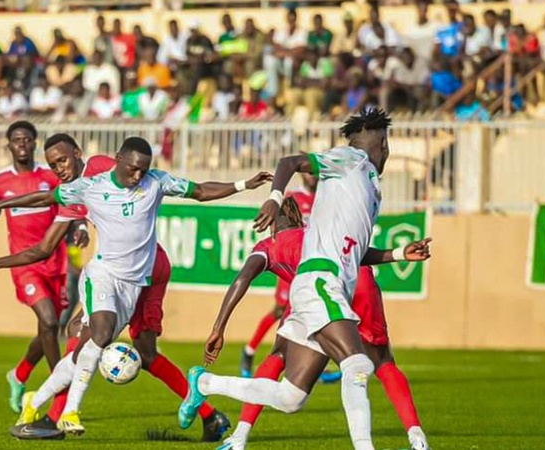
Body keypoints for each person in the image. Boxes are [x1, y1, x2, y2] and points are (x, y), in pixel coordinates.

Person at [0, 136, 273, 438]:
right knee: (81, 332)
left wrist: (243, 184)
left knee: (139, 351)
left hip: (149, 271)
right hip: (109, 272)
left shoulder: (111, 169)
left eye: (63, 160)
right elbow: (46, 242)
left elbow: (197, 190)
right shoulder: (81, 191)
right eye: (53, 165)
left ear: (79, 153)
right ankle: (57, 413)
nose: (59, 169)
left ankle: (56, 414)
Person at [179, 108, 396, 450]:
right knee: (357, 365)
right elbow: (290, 162)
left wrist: (397, 254)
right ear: (383, 143)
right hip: (322, 282)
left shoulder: (365, 184)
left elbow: (357, 251)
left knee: (291, 396)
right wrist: (274, 198)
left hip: (326, 285)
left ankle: (204, 383)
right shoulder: (349, 159)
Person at [212, 195, 432, 450]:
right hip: (360, 283)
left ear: (271, 223)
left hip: (320, 289)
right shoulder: (317, 233)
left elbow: (243, 278)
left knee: (280, 357)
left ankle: (239, 436)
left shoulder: (268, 245)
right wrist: (399, 253)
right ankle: (417, 439)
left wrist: (218, 327)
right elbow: (357, 252)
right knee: (382, 362)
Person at [0, 121, 84, 414]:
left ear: (34, 143)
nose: (22, 144)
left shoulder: (50, 174)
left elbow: (72, 205)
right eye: (16, 140)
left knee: (47, 328)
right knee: (51, 321)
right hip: (24, 264)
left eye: (27, 139)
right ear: (9, 145)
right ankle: (61, 392)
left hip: (56, 261)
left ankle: (19, 374)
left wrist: (80, 228)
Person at [240, 172, 318, 378]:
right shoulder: (292, 198)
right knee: (281, 309)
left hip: (314, 263)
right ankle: (250, 350)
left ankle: (311, 364)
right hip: (293, 262)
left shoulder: (325, 198)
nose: (313, 177)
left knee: (310, 309)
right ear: (302, 174)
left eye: (316, 173)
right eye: (309, 173)